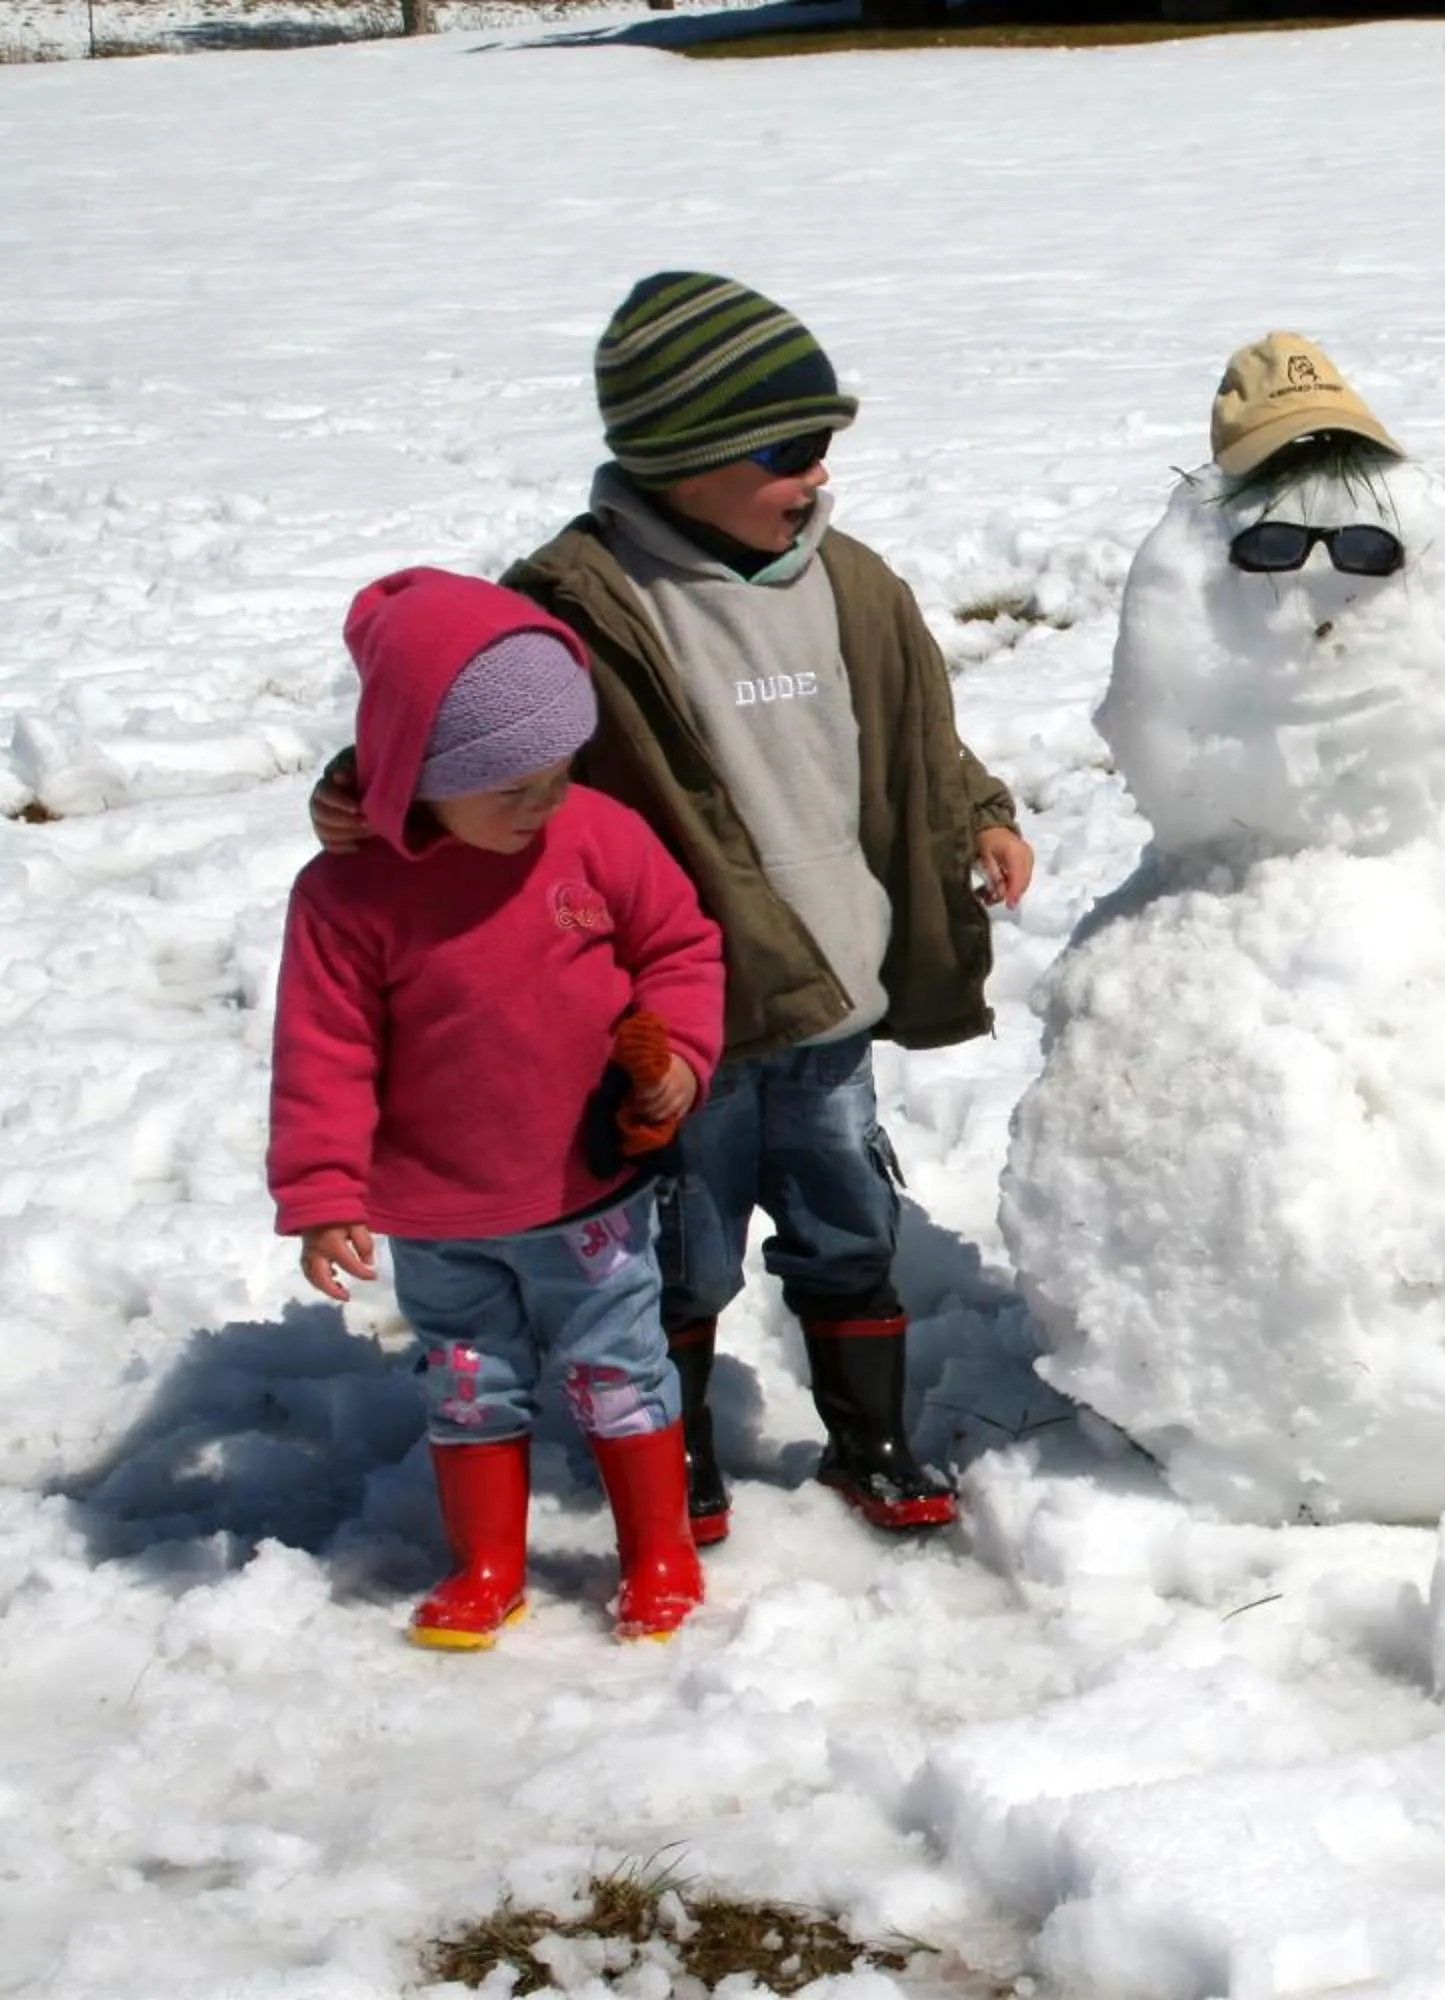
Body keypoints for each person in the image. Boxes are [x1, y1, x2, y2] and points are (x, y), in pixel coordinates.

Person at [315, 272, 1034, 1543]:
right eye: (786, 448)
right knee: (679, 1252)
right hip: (676, 1016)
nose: (816, 472)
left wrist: (975, 808)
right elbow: (457, 706)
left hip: (833, 995)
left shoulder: (854, 583)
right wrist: (371, 786)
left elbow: (918, 731)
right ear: (683, 458)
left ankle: (870, 1438)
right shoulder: (576, 602)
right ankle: (677, 1443)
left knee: (848, 1226)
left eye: (823, 444)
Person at [271, 568, 725, 1647]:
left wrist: (678, 1056)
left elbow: (681, 947)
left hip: (589, 1188)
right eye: (511, 786)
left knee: (622, 1368)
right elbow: (323, 1050)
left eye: (559, 774)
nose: (543, 803)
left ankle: (657, 1550)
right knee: (469, 1382)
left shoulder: (598, 837)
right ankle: (486, 1564)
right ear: (419, 776)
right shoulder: (346, 896)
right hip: (438, 1214)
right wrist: (323, 1191)